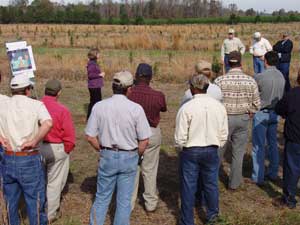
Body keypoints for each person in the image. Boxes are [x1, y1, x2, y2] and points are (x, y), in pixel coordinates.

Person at [85, 71, 152, 225]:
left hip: (108, 153)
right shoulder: (136, 109)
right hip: (129, 155)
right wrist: (137, 155)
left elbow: (90, 136)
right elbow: (144, 139)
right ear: (129, 88)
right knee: (124, 201)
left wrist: (101, 150)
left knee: (101, 197)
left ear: (113, 87)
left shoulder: (99, 106)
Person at [175, 74, 228, 225]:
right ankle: (213, 217)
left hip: (191, 150)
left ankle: (187, 221)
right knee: (211, 184)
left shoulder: (187, 108)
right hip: (211, 149)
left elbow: (180, 137)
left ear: (192, 88)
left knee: (188, 187)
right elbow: (224, 133)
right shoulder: (218, 106)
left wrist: (182, 149)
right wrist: (216, 145)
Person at [0, 73, 53, 225]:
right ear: (28, 90)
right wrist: (34, 140)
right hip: (29, 156)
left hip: (8, 157)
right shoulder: (36, 105)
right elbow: (48, 123)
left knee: (10, 202)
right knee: (35, 201)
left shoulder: (3, 103)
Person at [215, 51, 261, 190]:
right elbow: (257, 104)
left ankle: (212, 180)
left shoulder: (219, 81)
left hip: (224, 118)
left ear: (228, 63)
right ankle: (234, 183)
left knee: (218, 151)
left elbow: (213, 101)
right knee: (238, 153)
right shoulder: (250, 80)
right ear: (241, 63)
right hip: (243, 118)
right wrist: (251, 112)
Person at [129, 63, 167, 212]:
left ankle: (129, 203)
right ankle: (150, 203)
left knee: (132, 168)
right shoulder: (158, 95)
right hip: (151, 132)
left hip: (132, 134)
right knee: (150, 169)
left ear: (136, 76)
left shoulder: (129, 93)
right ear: (151, 77)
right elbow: (163, 107)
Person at [40, 79, 76, 222]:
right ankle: (50, 215)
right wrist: (67, 150)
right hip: (56, 147)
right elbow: (69, 135)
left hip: (38, 146)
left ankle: (37, 208)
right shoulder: (62, 110)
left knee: (40, 180)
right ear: (59, 92)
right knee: (54, 183)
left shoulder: (36, 105)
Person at [251, 51, 285, 186]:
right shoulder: (282, 76)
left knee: (258, 146)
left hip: (261, 113)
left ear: (265, 61)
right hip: (275, 113)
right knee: (273, 145)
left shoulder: (260, 77)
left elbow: (254, 95)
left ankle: (257, 176)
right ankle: (273, 172)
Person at [274, 70, 300, 209]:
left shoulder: (292, 95)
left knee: (291, 168)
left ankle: (289, 199)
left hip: (295, 137)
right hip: (294, 136)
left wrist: (286, 114)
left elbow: (279, 108)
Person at [86, 48, 105, 119]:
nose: (99, 55)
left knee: (95, 102)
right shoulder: (91, 64)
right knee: (96, 102)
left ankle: (92, 117)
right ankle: (92, 117)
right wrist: (100, 75)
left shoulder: (93, 63)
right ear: (95, 55)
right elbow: (90, 75)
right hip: (94, 86)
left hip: (95, 86)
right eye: (98, 53)